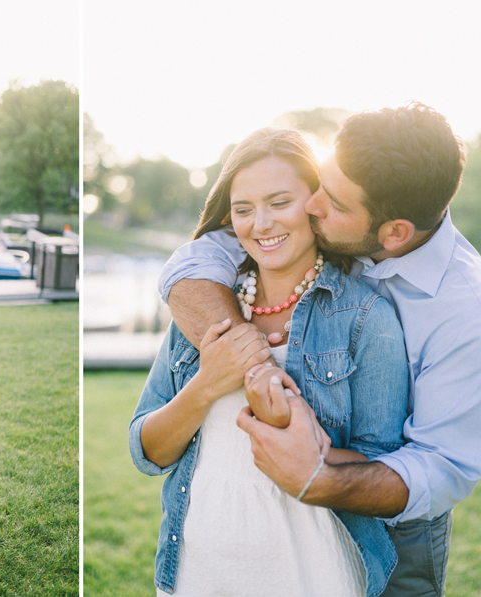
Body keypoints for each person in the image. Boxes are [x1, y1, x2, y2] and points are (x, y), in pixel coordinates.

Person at [158, 102, 481, 596]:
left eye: (332, 202)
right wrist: (254, 369)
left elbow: (444, 466)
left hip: (397, 520)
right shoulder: (318, 228)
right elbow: (195, 262)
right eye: (317, 188)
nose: (312, 205)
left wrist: (317, 478)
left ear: (394, 234)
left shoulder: (465, 313)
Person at [130, 128, 409, 597]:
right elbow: (147, 451)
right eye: (243, 209)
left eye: (279, 202)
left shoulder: (366, 318)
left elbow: (385, 469)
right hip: (198, 570)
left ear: (316, 204)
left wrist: (306, 454)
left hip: (314, 574)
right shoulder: (200, 310)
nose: (260, 224)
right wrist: (207, 384)